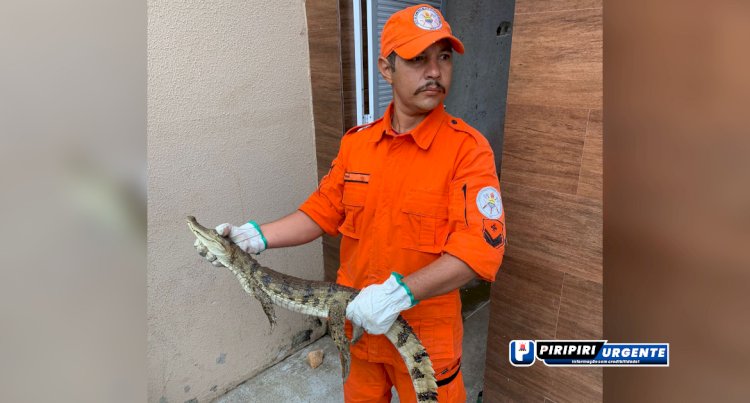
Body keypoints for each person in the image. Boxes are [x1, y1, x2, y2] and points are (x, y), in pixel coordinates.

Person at [198, 4, 505, 402]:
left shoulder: (467, 150)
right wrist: (253, 236)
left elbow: (480, 251)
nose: (434, 71)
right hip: (357, 324)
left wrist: (400, 294)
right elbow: (321, 212)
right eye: (417, 59)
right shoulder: (357, 144)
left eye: (443, 57)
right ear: (385, 68)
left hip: (426, 337)